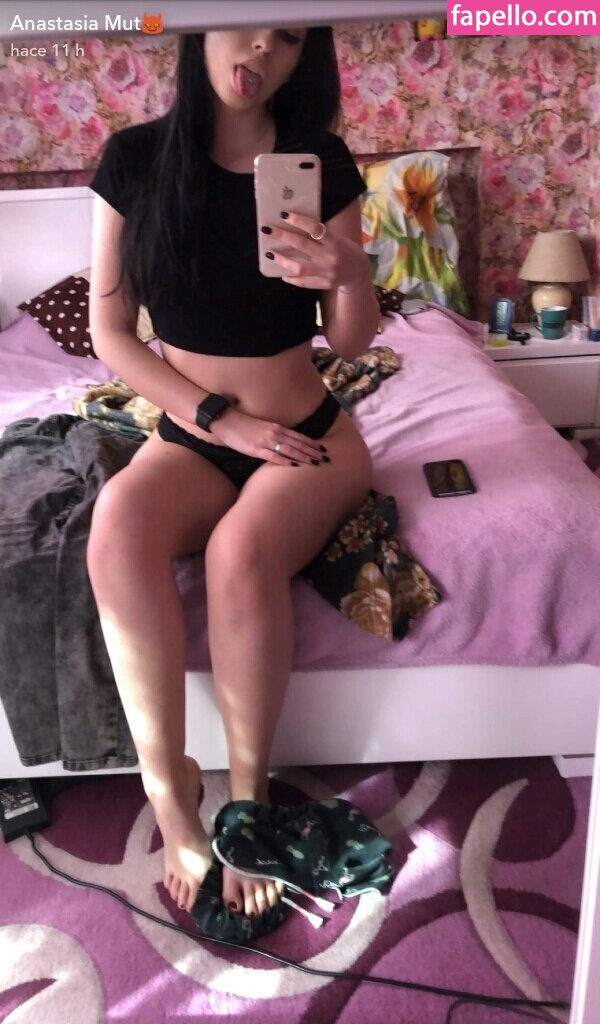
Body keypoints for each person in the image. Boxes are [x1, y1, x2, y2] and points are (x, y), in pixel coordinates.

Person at [87, 26, 380, 920]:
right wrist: (218, 419)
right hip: (198, 432)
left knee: (239, 554)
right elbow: (111, 334)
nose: (260, 48)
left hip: (305, 436)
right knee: (116, 528)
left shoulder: (316, 162)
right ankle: (170, 792)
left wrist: (352, 271)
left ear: (303, 57)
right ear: (198, 26)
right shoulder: (134, 162)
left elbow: (352, 342)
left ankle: (247, 806)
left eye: (286, 37)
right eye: (244, 21)